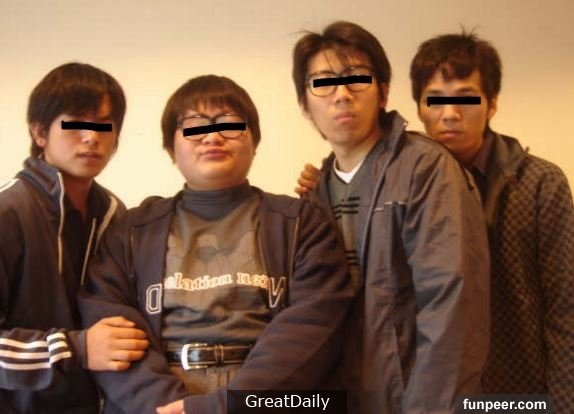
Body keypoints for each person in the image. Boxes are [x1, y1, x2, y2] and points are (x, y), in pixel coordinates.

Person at [79, 74, 354, 414]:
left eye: (230, 125)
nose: (213, 137)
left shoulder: (301, 223)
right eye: (194, 128)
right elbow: (111, 332)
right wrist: (166, 408)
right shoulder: (131, 232)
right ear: (171, 148)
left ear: (254, 141)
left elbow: (311, 331)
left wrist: (223, 407)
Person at [291, 21, 490, 414]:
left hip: (412, 398)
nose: (342, 94)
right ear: (304, 104)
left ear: (382, 92)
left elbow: (452, 307)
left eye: (357, 79)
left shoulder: (425, 168)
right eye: (323, 83)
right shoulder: (315, 193)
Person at [410, 32, 574, 413]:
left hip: (519, 392)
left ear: (492, 103)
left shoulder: (539, 184)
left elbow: (566, 310)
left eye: (466, 98)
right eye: (435, 99)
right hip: (435, 393)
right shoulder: (405, 185)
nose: (450, 113)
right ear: (419, 107)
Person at [0, 63, 149, 413]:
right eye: (75, 123)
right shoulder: (8, 211)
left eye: (104, 125)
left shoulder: (113, 213)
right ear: (40, 132)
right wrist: (77, 348)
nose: (91, 137)